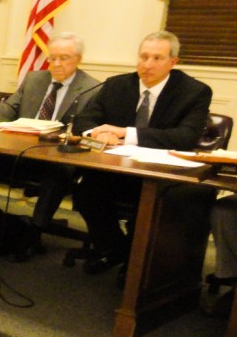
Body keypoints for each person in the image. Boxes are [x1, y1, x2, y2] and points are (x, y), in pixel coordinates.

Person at [72, 30, 212, 275]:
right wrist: (97, 133)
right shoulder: (117, 84)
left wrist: (125, 132)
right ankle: (119, 249)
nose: (148, 64)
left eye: (157, 58)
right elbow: (84, 121)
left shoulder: (194, 92)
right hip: (117, 168)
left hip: (159, 175)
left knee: (147, 205)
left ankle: (135, 264)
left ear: (173, 62)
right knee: (86, 193)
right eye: (143, 56)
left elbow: (185, 137)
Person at [0, 32, 101, 256]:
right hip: (19, 150)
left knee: (58, 174)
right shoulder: (34, 79)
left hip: (56, 156)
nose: (56, 64)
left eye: (64, 58)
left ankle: (34, 233)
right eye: (52, 58)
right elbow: (10, 107)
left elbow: (87, 127)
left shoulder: (91, 89)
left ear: (78, 59)